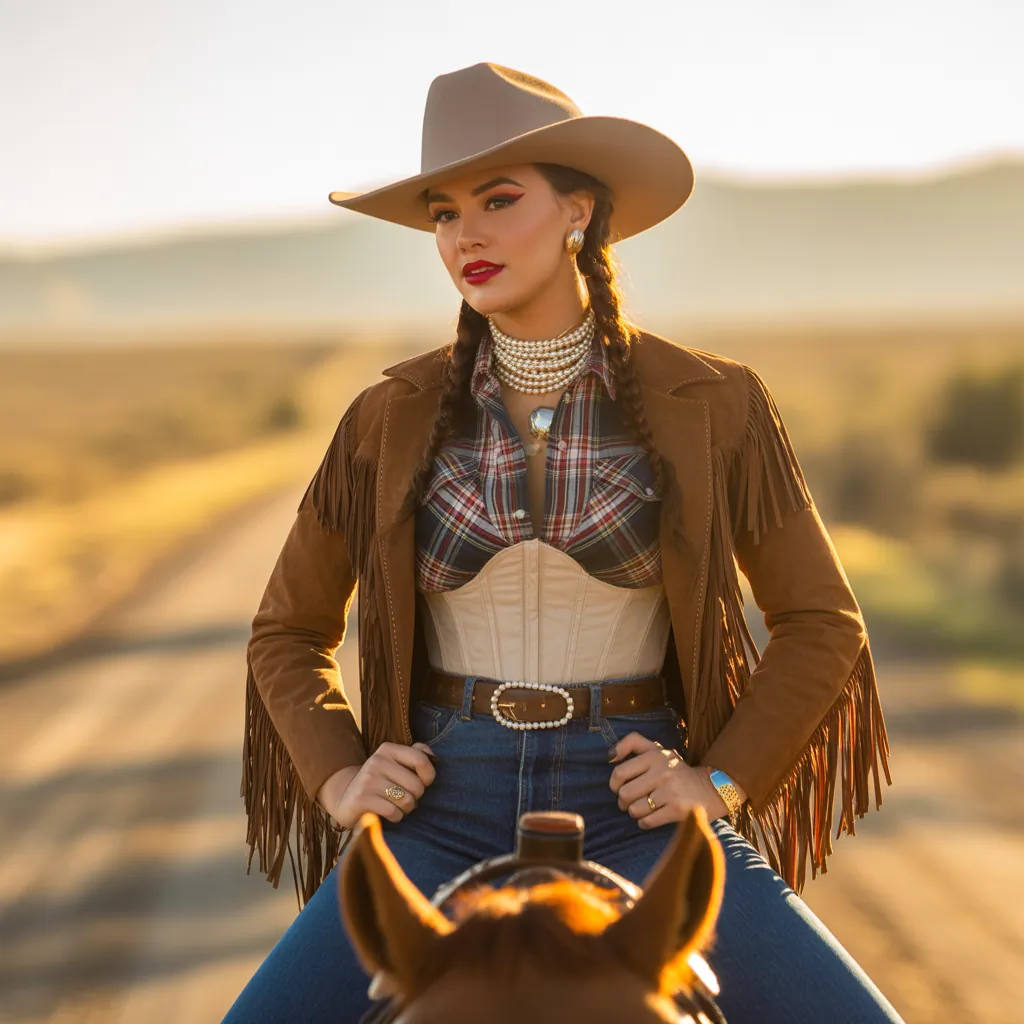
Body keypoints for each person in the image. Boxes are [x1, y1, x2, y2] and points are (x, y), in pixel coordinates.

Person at [226, 63, 901, 1023]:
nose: (468, 235)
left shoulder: (713, 404)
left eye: (500, 200)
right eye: (446, 213)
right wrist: (341, 777)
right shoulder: (387, 416)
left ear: (578, 211)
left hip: (637, 807)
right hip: (440, 806)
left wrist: (716, 782)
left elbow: (822, 621)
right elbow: (286, 633)